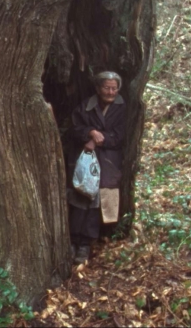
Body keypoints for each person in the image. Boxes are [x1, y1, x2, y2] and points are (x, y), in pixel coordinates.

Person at [67, 71, 126, 264]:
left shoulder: (122, 108)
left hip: (108, 161)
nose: (110, 92)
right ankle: (73, 240)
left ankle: (86, 244)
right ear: (98, 88)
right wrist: (89, 133)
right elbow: (74, 128)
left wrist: (99, 140)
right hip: (86, 161)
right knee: (80, 197)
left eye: (114, 88)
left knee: (98, 202)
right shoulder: (86, 106)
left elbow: (120, 135)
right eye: (107, 88)